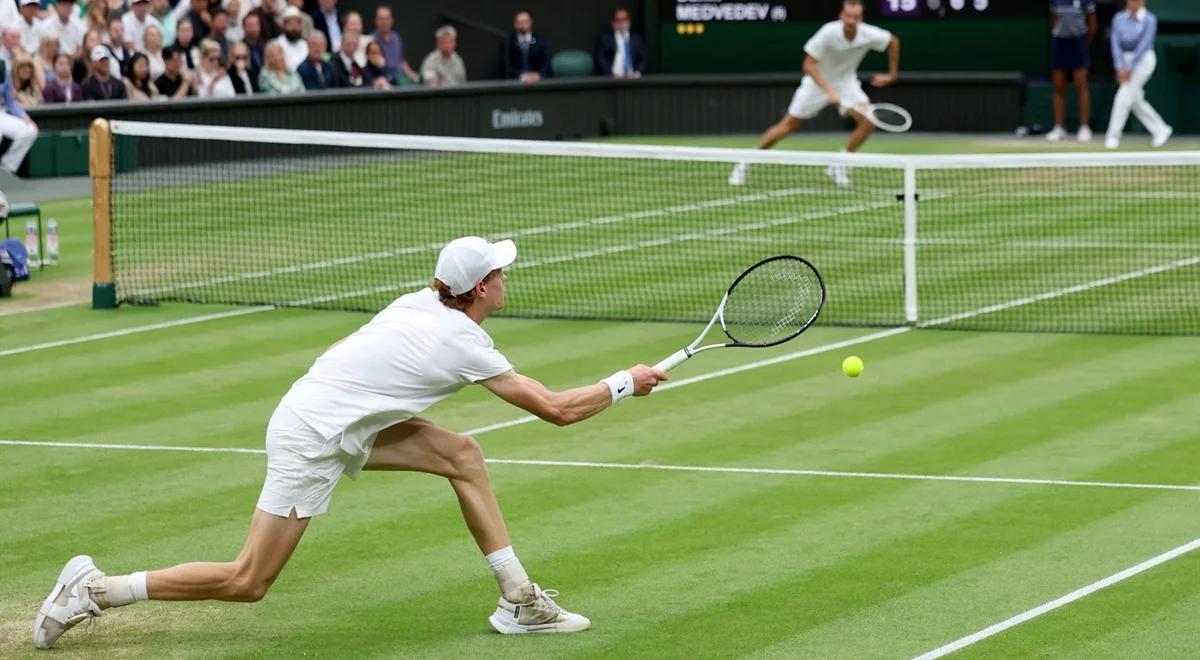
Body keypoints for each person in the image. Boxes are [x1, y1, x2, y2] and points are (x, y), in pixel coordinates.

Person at [31, 236, 667, 650]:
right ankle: (95, 589)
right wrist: (624, 383)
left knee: (462, 455)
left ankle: (519, 601)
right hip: (313, 436)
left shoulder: (419, 301)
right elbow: (555, 410)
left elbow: (335, 352)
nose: (507, 278)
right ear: (479, 289)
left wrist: (355, 407)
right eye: (501, 273)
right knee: (248, 580)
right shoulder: (461, 340)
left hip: (331, 418)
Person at [729, 0, 898, 188]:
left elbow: (893, 42)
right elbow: (807, 65)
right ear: (841, 16)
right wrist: (829, 91)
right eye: (848, 16)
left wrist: (891, 75)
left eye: (856, 17)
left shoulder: (869, 34)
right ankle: (745, 162)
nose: (851, 21)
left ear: (861, 18)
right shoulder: (828, 33)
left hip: (847, 84)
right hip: (816, 84)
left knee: (869, 121)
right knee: (786, 127)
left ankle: (839, 163)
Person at [1104, 0, 1170, 149]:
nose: (1134, 1)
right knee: (1135, 99)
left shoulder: (1149, 19)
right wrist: (1120, 66)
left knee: (1124, 96)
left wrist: (1130, 68)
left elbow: (1144, 44)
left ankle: (1113, 137)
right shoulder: (1118, 18)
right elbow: (1115, 44)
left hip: (1143, 61)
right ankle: (1161, 129)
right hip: (1124, 63)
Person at [1047, 0, 1097, 142]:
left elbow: (1092, 25)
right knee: (1058, 87)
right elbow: (1053, 20)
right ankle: (1059, 128)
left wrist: (1083, 43)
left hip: (1079, 42)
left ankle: (1084, 127)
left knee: (1081, 86)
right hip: (1060, 43)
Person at [0, 54, 37, 172]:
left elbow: (10, 101)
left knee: (30, 130)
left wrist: (24, 116)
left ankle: (6, 168)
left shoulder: (3, 68)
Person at [594, 6, 644, 78]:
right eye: (618, 20)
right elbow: (601, 60)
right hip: (612, 79)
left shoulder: (637, 39)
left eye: (625, 19)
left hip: (633, 78)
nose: (622, 23)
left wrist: (637, 73)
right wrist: (611, 75)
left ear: (629, 22)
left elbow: (642, 60)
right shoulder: (605, 39)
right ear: (613, 23)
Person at [371, 5, 413, 80]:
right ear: (376, 21)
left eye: (387, 18)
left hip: (402, 77)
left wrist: (412, 75)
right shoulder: (371, 40)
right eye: (381, 19)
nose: (384, 22)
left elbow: (402, 61)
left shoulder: (396, 37)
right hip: (387, 79)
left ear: (392, 20)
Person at [507, 10, 548, 82]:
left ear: (531, 22)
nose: (522, 25)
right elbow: (506, 67)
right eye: (519, 22)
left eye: (525, 22)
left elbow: (546, 64)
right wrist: (522, 76)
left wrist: (539, 75)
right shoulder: (508, 43)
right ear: (515, 24)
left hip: (538, 82)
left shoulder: (540, 42)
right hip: (515, 83)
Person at [273, 6, 308, 71]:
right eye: (291, 24)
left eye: (297, 24)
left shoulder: (304, 44)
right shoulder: (277, 44)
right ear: (284, 26)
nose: (294, 28)